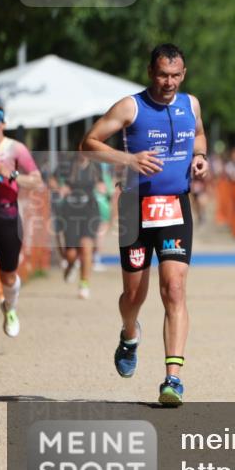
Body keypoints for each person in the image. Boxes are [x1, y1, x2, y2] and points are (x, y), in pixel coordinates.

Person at [81, 43, 208, 405]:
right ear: (151, 72)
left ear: (183, 74)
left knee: (175, 289)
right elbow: (88, 143)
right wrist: (128, 158)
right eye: (163, 75)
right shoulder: (129, 106)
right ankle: (129, 333)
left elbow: (198, 134)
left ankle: (173, 378)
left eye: (176, 75)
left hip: (175, 208)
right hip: (135, 209)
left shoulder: (191, 104)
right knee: (135, 294)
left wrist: (199, 156)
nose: (169, 82)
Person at [0, 97, 43, 351]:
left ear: (3, 124)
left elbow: (37, 181)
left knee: (8, 276)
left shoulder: (15, 149)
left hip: (7, 216)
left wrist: (13, 175)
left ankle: (10, 307)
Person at [56, 152, 104, 299]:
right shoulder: (68, 164)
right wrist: (60, 187)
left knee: (86, 245)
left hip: (89, 209)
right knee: (70, 254)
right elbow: (52, 180)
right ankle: (70, 266)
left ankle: (84, 284)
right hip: (70, 209)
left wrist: (101, 187)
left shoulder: (95, 165)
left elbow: (101, 182)